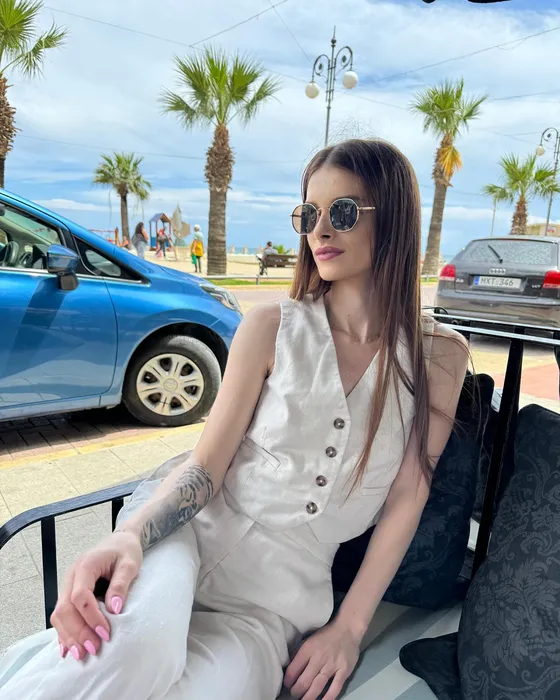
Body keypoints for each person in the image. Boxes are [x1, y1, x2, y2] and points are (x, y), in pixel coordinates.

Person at [0, 139, 468, 700]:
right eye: (308, 215)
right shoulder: (272, 326)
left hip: (274, 608)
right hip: (189, 539)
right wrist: (131, 535)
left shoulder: (439, 357)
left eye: (343, 212)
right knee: (133, 650)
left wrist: (349, 628)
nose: (319, 231)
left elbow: (407, 496)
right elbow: (207, 465)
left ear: (393, 217)